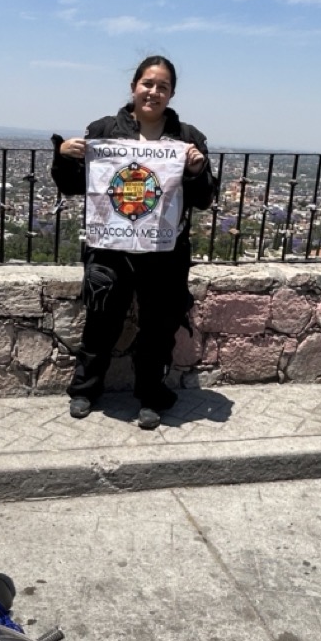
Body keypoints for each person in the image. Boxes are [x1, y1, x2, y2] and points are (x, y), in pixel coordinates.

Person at [52, 56, 217, 429]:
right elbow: (74, 185)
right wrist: (63, 156)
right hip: (111, 248)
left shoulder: (189, 138)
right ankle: (85, 390)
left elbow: (205, 198)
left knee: (158, 328)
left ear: (172, 93)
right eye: (147, 83)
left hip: (164, 253)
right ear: (133, 87)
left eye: (162, 86)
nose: (153, 92)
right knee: (101, 320)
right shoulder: (105, 130)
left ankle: (149, 395)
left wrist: (196, 170)